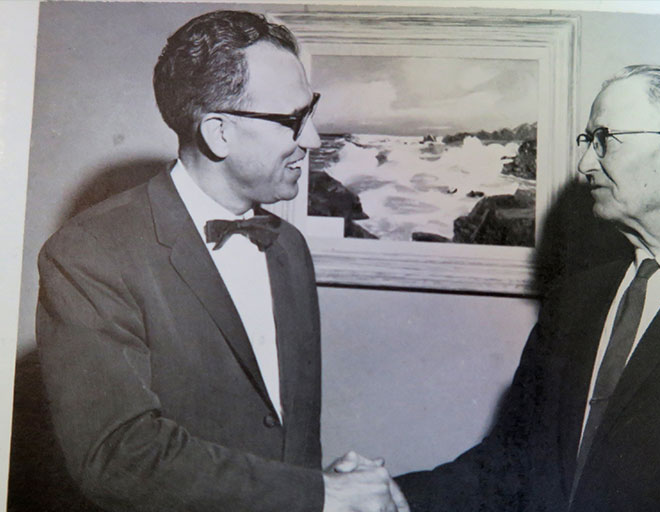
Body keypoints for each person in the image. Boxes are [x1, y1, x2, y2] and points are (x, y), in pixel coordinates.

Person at [35, 10, 406, 512]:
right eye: (293, 120)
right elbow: (118, 455)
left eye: (310, 111)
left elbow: (276, 438)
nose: (314, 140)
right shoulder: (87, 255)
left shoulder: (289, 248)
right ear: (218, 134)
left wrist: (320, 486)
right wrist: (318, 494)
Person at [393, 65, 660, 511]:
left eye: (604, 139)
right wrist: (391, 498)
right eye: (586, 142)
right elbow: (508, 464)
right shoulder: (573, 301)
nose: (584, 164)